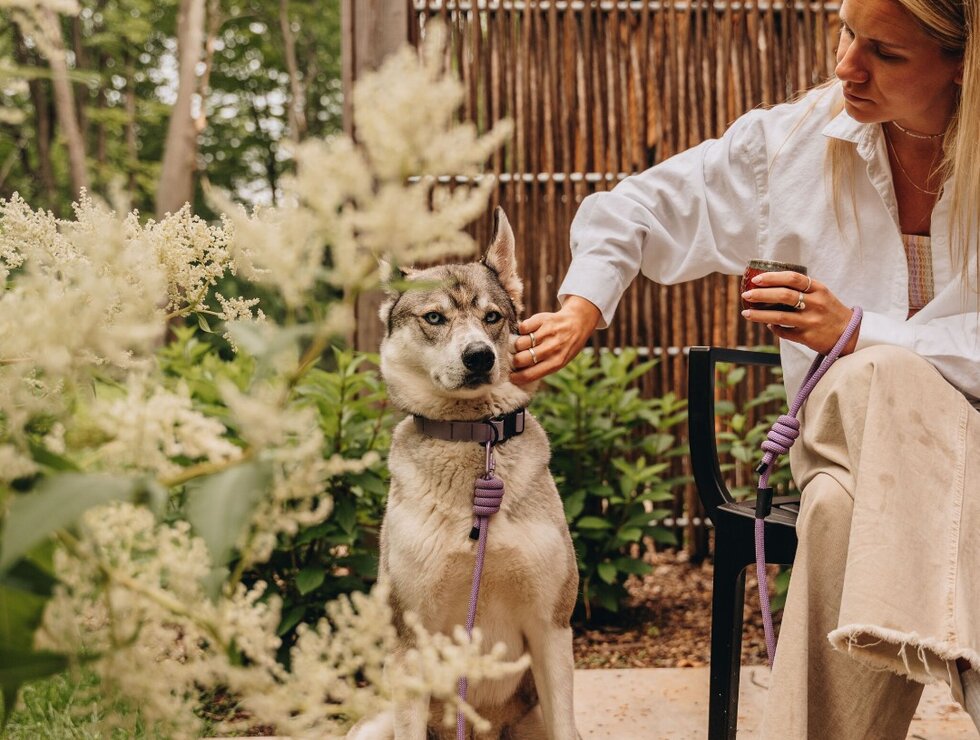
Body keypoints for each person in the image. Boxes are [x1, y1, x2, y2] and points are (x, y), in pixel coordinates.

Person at [509, 0, 980, 736]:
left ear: (964, 62)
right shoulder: (789, 148)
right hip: (848, 438)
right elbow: (635, 210)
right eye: (846, 33)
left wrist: (860, 332)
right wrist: (581, 309)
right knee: (869, 379)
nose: (845, 67)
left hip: (926, 460)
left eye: (885, 54)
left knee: (834, 504)